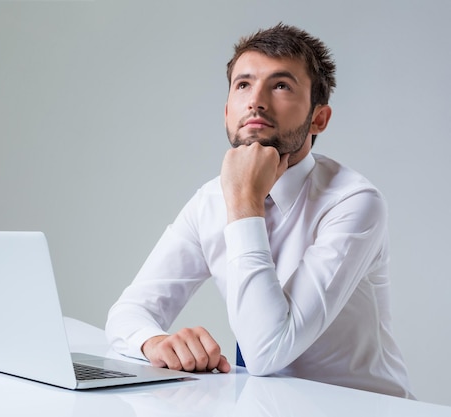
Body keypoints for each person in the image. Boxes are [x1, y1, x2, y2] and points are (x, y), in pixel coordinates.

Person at [105, 23, 413, 398]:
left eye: (281, 85)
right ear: (226, 111)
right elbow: (128, 313)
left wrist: (245, 203)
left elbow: (268, 352)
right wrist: (153, 341)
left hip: (364, 409)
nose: (256, 101)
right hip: (263, 405)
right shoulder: (209, 200)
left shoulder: (353, 202)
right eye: (243, 85)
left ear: (319, 118)